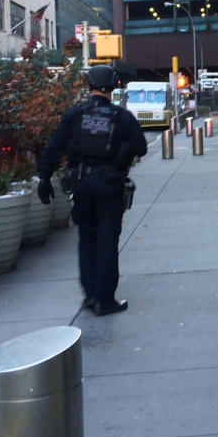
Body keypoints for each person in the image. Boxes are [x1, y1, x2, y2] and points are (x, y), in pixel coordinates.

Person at [37, 65, 148, 316]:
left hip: (81, 184)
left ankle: (90, 295)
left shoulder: (75, 115)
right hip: (110, 185)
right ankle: (105, 299)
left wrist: (44, 178)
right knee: (108, 240)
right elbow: (141, 148)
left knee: (87, 238)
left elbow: (54, 147)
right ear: (114, 85)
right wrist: (123, 151)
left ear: (89, 85)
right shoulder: (122, 117)